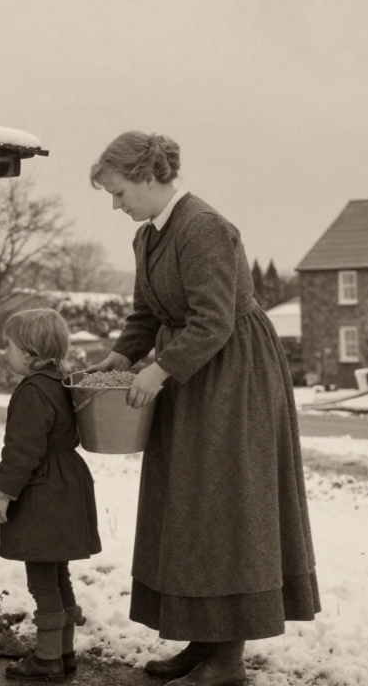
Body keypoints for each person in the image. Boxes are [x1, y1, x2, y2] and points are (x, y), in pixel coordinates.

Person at [87, 131, 320, 686]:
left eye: (119, 193)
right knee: (189, 509)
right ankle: (203, 642)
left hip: (233, 378)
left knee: (225, 507)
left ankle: (228, 660)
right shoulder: (148, 238)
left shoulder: (205, 227)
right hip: (191, 377)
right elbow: (146, 315)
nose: (116, 207)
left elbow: (214, 319)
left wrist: (160, 369)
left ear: (148, 178)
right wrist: (117, 359)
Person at [0, 308, 102, 681]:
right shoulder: (61, 381)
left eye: (9, 346)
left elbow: (22, 449)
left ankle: (47, 659)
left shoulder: (32, 391)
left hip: (44, 490)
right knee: (59, 574)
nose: (5, 352)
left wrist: (4, 492)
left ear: (29, 351)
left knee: (41, 577)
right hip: (68, 482)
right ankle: (64, 654)